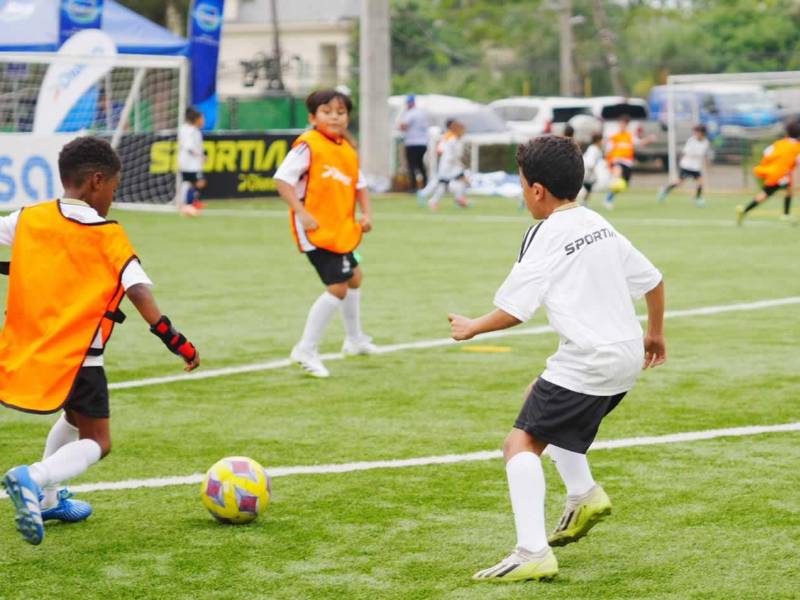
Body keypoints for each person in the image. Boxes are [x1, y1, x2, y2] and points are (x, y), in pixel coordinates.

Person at [448, 135, 666, 582]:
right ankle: (583, 492)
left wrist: (471, 326)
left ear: (537, 191)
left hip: (591, 359)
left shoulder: (542, 234)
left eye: (522, 183)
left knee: (519, 445)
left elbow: (515, 310)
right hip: (623, 357)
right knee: (539, 393)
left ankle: (532, 551)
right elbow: (653, 280)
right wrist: (655, 334)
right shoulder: (597, 221)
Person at [0, 136, 200, 546]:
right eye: (113, 186)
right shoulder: (107, 233)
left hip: (31, 348)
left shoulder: (28, 217)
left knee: (73, 420)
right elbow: (139, 291)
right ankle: (34, 478)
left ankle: (51, 499)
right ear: (95, 181)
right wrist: (176, 341)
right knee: (97, 440)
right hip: (79, 356)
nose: (113, 195)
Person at [275, 89, 376, 379]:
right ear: (312, 117)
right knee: (338, 286)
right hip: (315, 230)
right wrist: (302, 212)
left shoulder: (346, 148)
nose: (334, 117)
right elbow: (282, 180)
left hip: (340, 228)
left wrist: (365, 213)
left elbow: (360, 184)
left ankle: (354, 339)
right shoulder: (308, 145)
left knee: (354, 277)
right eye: (327, 112)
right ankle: (306, 349)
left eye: (341, 112)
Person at [737, 120, 800, 225]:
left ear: (787, 133)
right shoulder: (797, 147)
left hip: (772, 173)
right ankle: (745, 210)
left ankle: (745, 210)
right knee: (767, 194)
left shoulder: (780, 143)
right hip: (782, 175)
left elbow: (767, 152)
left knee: (786, 190)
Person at [603, 114, 653, 210]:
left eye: (624, 124)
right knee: (617, 177)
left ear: (627, 125)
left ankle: (610, 196)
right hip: (617, 161)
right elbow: (608, 150)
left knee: (623, 185)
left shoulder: (629, 136)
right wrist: (607, 161)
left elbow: (639, 143)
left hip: (628, 163)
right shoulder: (614, 136)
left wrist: (649, 140)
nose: (622, 126)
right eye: (621, 124)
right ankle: (608, 200)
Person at [417, 119, 469, 210]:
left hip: (452, 164)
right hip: (447, 164)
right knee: (442, 182)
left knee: (446, 183)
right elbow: (441, 150)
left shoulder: (455, 137)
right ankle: (426, 195)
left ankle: (458, 199)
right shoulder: (450, 137)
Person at [657, 124, 711, 207]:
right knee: (679, 182)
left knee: (700, 182)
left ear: (702, 133)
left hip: (696, 167)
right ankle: (664, 190)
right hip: (687, 166)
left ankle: (697, 199)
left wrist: (707, 165)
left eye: (698, 132)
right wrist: (681, 162)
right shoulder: (691, 140)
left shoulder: (706, 142)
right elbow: (686, 152)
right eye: (695, 132)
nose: (696, 133)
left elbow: (705, 155)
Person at [178, 107, 207, 216]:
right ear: (196, 119)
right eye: (202, 118)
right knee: (197, 182)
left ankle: (188, 203)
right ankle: (187, 204)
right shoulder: (191, 131)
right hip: (191, 163)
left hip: (186, 162)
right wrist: (201, 156)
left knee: (189, 183)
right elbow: (189, 147)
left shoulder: (186, 129)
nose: (204, 121)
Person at [398, 94, 431, 192]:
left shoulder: (410, 113)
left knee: (412, 165)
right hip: (423, 143)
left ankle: (413, 187)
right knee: (420, 164)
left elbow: (403, 126)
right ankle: (425, 185)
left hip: (412, 142)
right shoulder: (422, 113)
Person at [578, 132, 605, 205]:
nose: (603, 142)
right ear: (598, 140)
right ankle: (583, 202)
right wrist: (596, 172)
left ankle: (584, 202)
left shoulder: (596, 149)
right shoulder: (594, 149)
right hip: (586, 170)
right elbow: (590, 162)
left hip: (588, 171)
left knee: (589, 187)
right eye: (602, 140)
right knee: (587, 185)